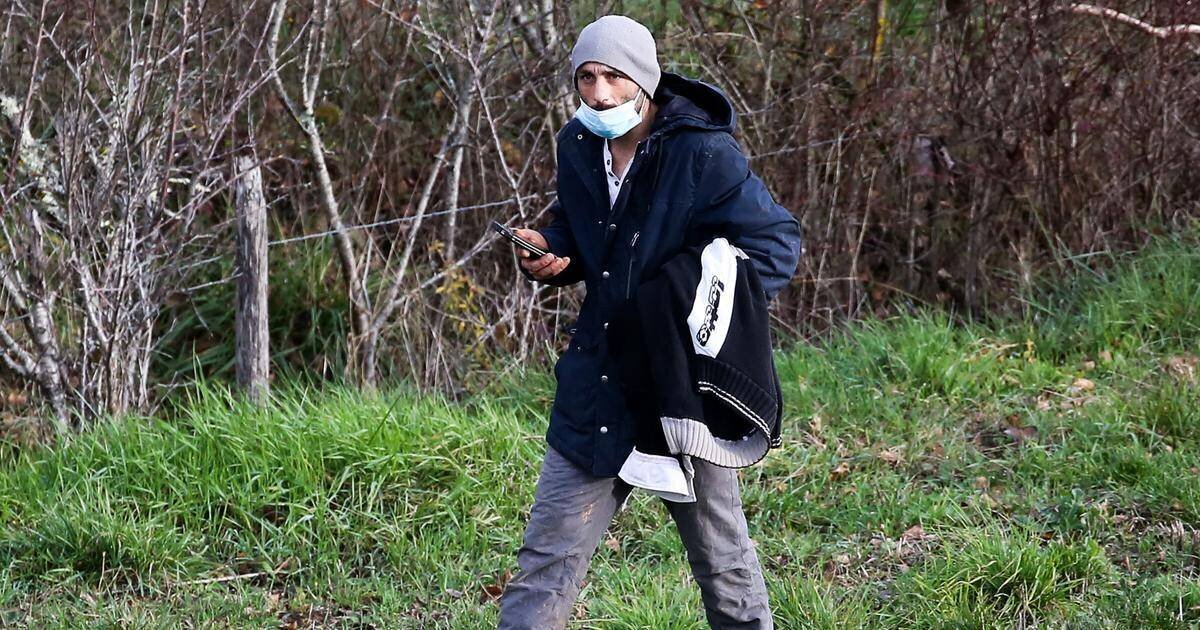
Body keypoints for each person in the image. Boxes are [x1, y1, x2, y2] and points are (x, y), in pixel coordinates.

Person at [497, 14, 802, 630]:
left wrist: (686, 306)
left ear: (645, 78)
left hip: (682, 389)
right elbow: (590, 239)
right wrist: (553, 254)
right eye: (586, 78)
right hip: (599, 381)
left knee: (726, 568)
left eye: (613, 76)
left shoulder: (701, 151)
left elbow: (775, 246)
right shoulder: (579, 145)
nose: (600, 93)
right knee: (544, 565)